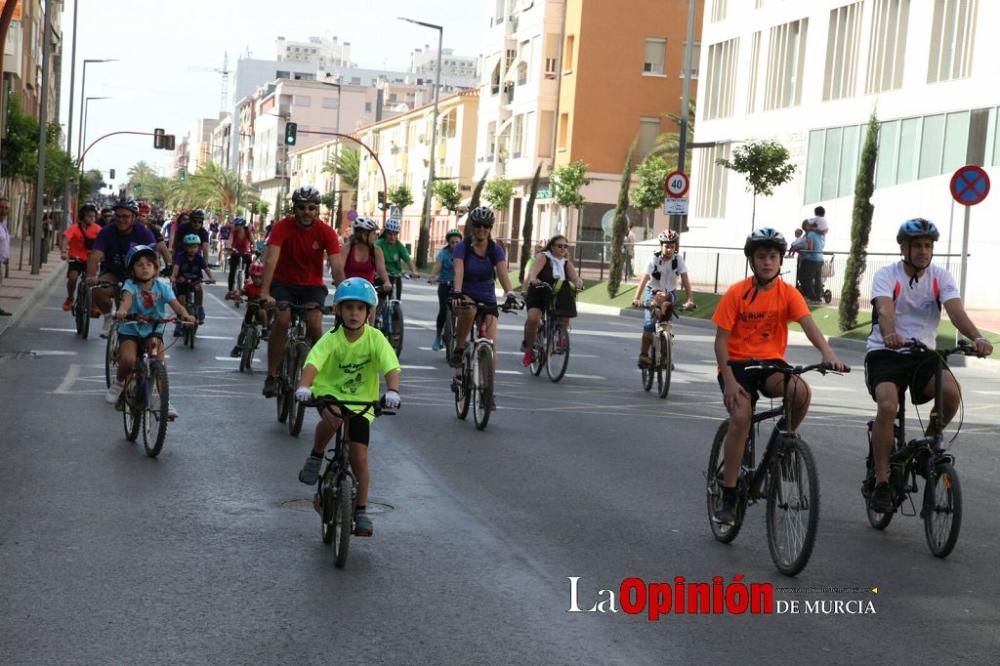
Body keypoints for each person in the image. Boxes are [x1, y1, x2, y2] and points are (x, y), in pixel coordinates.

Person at [711, 228, 848, 525]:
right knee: (741, 418)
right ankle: (730, 493)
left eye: (773, 257)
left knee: (801, 392)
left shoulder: (788, 293)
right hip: (736, 365)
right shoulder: (737, 293)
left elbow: (810, 325)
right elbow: (720, 341)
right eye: (761, 257)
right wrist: (729, 380)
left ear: (779, 260)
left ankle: (782, 447)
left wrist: (828, 353)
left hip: (770, 363)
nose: (767, 262)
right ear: (752, 260)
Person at [864, 218, 993, 513]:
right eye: (917, 246)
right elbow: (884, 308)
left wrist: (977, 337)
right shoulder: (887, 275)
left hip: (923, 352)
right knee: (887, 407)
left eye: (928, 246)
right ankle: (882, 481)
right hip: (886, 351)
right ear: (903, 248)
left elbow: (956, 311)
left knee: (950, 393)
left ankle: (930, 441)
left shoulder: (940, 277)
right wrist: (889, 334)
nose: (923, 251)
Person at [294, 278, 401, 537]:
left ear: (368, 312)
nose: (354, 313)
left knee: (359, 457)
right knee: (333, 420)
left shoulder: (375, 338)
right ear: (339, 311)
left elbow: (390, 366)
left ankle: (361, 511)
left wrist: (393, 391)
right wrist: (304, 386)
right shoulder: (332, 338)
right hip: (330, 393)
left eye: (360, 308)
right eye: (349, 307)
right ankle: (317, 454)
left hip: (362, 402)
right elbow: (313, 363)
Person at [259, 185, 341, 398]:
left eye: (312, 208)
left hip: (312, 286)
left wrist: (343, 297)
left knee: (315, 323)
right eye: (302, 207)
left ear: (318, 210)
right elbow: (271, 260)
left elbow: (337, 266)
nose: (307, 212)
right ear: (294, 209)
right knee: (283, 320)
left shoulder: (326, 232)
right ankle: (272, 375)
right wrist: (265, 292)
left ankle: (319, 373)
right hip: (283, 283)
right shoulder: (282, 227)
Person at [106, 245, 195, 417]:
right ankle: (118, 383)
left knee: (159, 364)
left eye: (149, 264)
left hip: (153, 330)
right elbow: (126, 300)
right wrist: (123, 310)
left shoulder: (162, 287)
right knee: (128, 359)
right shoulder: (130, 285)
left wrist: (186, 315)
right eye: (139, 265)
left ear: (155, 268)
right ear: (132, 270)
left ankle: (165, 402)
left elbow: (176, 305)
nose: (145, 267)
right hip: (131, 329)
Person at [450, 206, 519, 409]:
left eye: (486, 226)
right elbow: (459, 269)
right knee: (469, 310)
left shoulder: (495, 249)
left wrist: (510, 293)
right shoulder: (463, 247)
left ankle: (488, 392)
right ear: (472, 227)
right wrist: (457, 292)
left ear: (490, 228)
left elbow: (503, 273)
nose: (482, 230)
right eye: (478, 226)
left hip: (487, 296)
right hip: (465, 293)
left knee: (491, 343)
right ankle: (460, 348)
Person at [86, 197, 158, 338]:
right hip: (113, 273)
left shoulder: (144, 233)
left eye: (125, 216)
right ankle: (108, 317)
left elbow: (153, 260)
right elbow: (95, 256)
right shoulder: (107, 231)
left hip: (136, 277)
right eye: (117, 216)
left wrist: (152, 281)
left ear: (134, 218)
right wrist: (91, 276)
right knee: (97, 291)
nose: (121, 220)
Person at [631, 230, 696, 367]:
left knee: (666, 325)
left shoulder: (678, 260)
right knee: (649, 325)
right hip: (652, 291)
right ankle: (644, 355)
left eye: (672, 246)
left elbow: (685, 280)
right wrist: (637, 298)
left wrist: (690, 300)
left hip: (669, 293)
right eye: (666, 246)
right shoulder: (653, 259)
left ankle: (666, 357)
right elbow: (644, 280)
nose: (669, 249)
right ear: (661, 246)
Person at [520, 235, 584, 366]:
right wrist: (533, 279)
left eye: (565, 246)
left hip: (556, 295)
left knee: (566, 313)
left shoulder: (566, 263)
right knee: (533, 319)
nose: (562, 249)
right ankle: (529, 350)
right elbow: (533, 273)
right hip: (539, 292)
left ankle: (560, 337)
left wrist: (578, 283)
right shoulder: (543, 257)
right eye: (559, 246)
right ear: (552, 246)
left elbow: (575, 278)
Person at [59, 202, 101, 311]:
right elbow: (66, 240)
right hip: (76, 258)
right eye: (89, 216)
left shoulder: (97, 229)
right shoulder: (74, 228)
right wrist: (64, 252)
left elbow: (104, 242)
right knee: (72, 278)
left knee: (92, 280)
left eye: (94, 216)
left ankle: (93, 303)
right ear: (82, 216)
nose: (92, 219)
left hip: (91, 260)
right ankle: (70, 298)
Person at [427, 228, 463, 351]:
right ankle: (438, 337)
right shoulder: (443, 253)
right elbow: (437, 266)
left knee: (462, 310)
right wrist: (432, 276)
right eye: (452, 242)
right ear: (448, 242)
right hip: (445, 285)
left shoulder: (463, 253)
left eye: (457, 242)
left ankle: (459, 334)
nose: (455, 245)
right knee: (443, 310)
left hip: (458, 286)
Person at [170, 233, 215, 328]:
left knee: (199, 289)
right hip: (182, 280)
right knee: (181, 299)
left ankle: (199, 308)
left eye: (195, 247)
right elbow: (176, 267)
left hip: (195, 280)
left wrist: (211, 277)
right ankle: (181, 319)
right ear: (185, 247)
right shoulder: (181, 256)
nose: (192, 249)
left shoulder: (199, 258)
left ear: (198, 247)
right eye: (189, 247)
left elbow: (206, 268)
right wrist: (173, 276)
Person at [229, 261, 271, 358]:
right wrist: (237, 296)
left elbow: (271, 297)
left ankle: (265, 329)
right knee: (243, 329)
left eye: (260, 277)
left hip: (261, 311)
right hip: (251, 310)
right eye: (255, 277)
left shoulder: (266, 288)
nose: (257, 280)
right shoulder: (249, 286)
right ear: (251, 277)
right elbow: (242, 292)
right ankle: (238, 346)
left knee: (262, 312)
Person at [375, 218, 419, 300]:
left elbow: (408, 259)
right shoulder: (378, 244)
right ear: (385, 233)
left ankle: (396, 306)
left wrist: (414, 271)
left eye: (395, 234)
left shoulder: (399, 246)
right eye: (390, 234)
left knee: (397, 299)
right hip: (382, 276)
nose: (392, 237)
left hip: (396, 275)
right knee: (380, 298)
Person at [226, 217, 255, 297]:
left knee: (249, 270)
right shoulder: (233, 232)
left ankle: (247, 287)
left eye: (237, 225)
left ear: (242, 225)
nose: (235, 226)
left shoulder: (247, 232)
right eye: (235, 225)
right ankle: (230, 290)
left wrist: (254, 248)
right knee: (232, 271)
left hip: (246, 253)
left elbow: (253, 242)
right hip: (235, 252)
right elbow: (230, 240)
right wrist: (229, 246)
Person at [799, 220, 826, 303]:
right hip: (820, 258)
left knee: (807, 278)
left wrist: (801, 250)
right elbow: (822, 246)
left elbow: (810, 248)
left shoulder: (810, 234)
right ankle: (818, 297)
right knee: (818, 279)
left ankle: (811, 297)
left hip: (812, 259)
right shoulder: (821, 234)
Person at [0, 197, 11, 315]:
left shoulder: (3, 223)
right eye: (1, 207)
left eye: (6, 208)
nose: (3, 210)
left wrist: (6, 257)